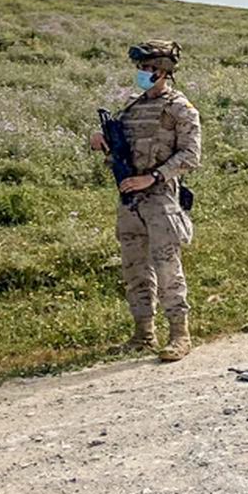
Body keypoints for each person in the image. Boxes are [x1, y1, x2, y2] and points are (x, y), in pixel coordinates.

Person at [89, 40, 202, 362]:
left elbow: (191, 155)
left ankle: (179, 335)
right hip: (130, 198)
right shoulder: (131, 107)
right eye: (140, 68)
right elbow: (121, 148)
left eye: (149, 68)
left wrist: (153, 177)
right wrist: (102, 141)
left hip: (160, 198)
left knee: (167, 269)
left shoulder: (180, 108)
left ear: (164, 71)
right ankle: (143, 334)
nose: (142, 73)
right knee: (134, 269)